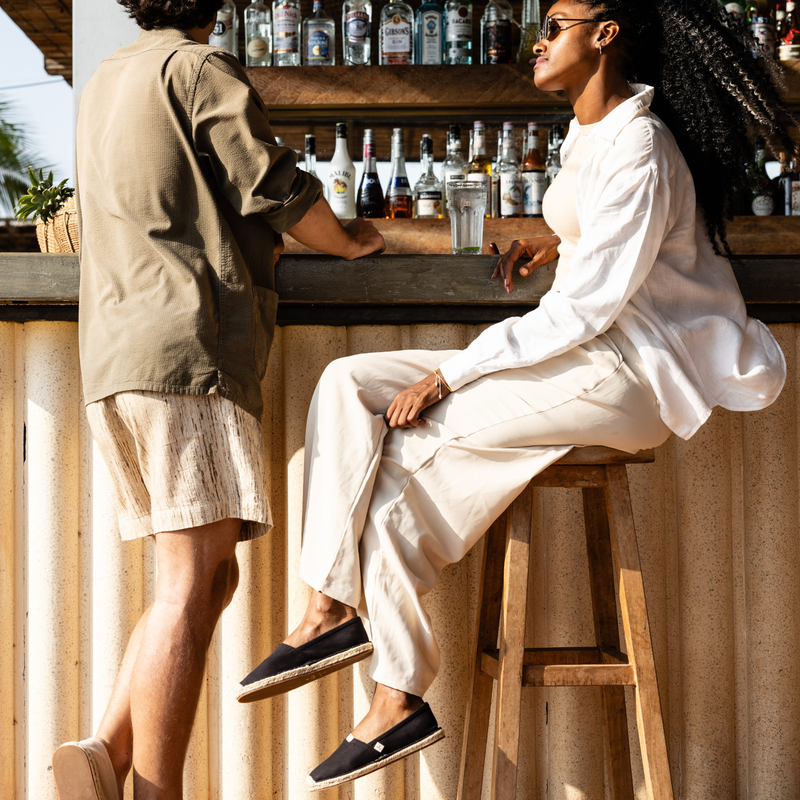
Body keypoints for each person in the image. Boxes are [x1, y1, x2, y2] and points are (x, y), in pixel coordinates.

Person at [237, 0, 796, 791]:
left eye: (558, 21)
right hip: (589, 357)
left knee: (403, 460)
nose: (538, 37)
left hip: (627, 374)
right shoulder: (590, 132)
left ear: (605, 34)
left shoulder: (641, 143)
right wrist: (557, 241)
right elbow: (606, 245)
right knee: (346, 384)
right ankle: (331, 606)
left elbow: (590, 308)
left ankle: (397, 696)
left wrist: (452, 372)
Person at [51, 0, 385, 797]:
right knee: (187, 579)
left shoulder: (106, 78)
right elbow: (268, 181)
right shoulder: (199, 69)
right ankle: (152, 790)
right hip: (185, 347)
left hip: (117, 353)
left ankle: (106, 752)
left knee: (210, 574)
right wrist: (350, 239)